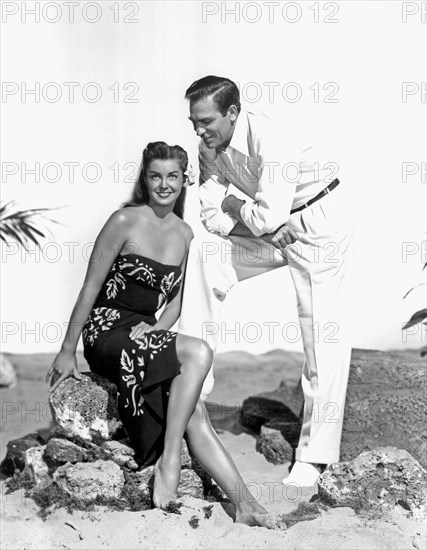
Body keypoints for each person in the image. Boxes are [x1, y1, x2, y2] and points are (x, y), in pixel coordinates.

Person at [46, 141, 285, 529]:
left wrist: (156, 328)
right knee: (199, 352)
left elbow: (175, 301)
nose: (163, 184)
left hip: (142, 333)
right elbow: (90, 287)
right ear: (145, 178)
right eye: (155, 175)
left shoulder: (185, 234)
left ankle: (246, 504)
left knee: (194, 410)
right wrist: (67, 350)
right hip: (106, 330)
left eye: (172, 176)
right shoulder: (123, 221)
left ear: (183, 179)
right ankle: (169, 458)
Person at [178, 76, 355, 488]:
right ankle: (193, 393)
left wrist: (235, 203)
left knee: (321, 336)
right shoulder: (209, 147)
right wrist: (254, 221)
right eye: (193, 122)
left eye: (206, 121)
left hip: (317, 222)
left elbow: (259, 214)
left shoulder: (272, 138)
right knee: (206, 256)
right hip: (270, 233)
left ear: (233, 112)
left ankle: (315, 456)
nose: (199, 131)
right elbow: (210, 217)